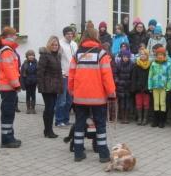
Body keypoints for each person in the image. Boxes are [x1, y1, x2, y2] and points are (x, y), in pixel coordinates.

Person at [68, 26, 116, 162]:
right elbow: (107, 75)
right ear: (96, 37)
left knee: (79, 124)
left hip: (80, 97)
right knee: (100, 125)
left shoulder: (77, 54)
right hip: (98, 98)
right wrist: (111, 92)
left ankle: (78, 153)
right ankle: (103, 155)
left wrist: (71, 91)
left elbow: (71, 75)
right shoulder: (101, 54)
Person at [0, 26, 22, 148]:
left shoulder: (6, 49)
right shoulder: (7, 51)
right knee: (8, 113)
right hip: (8, 87)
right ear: (9, 36)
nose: (16, 36)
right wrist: (16, 85)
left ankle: (9, 136)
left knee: (9, 112)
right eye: (15, 34)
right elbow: (10, 70)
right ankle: (6, 140)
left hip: (7, 86)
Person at [37, 36, 63, 138]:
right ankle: (48, 130)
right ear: (49, 45)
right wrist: (41, 87)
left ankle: (48, 130)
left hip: (55, 87)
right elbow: (40, 72)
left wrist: (60, 86)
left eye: (56, 45)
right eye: (53, 44)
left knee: (51, 108)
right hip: (47, 86)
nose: (55, 46)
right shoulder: (45, 55)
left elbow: (59, 73)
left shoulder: (57, 56)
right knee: (49, 108)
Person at [56, 26, 78, 127]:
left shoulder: (74, 44)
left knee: (69, 101)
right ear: (64, 34)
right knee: (62, 100)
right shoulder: (60, 44)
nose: (70, 35)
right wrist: (61, 72)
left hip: (73, 76)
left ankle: (66, 119)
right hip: (64, 75)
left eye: (71, 34)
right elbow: (58, 60)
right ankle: (59, 120)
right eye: (68, 34)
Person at [148, 46, 171, 128]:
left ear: (164, 55)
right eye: (158, 54)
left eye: (161, 54)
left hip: (163, 87)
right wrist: (150, 86)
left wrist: (168, 87)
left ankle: (162, 121)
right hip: (155, 86)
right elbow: (150, 76)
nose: (159, 56)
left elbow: (170, 77)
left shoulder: (168, 64)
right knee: (156, 103)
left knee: (162, 103)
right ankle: (155, 120)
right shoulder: (153, 64)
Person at [131, 48, 151, 125]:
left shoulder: (150, 65)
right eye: (141, 54)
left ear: (147, 56)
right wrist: (134, 87)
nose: (142, 56)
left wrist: (148, 87)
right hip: (138, 88)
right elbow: (134, 77)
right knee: (138, 103)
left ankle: (145, 118)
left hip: (146, 88)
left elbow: (150, 77)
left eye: (144, 54)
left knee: (146, 103)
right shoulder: (136, 65)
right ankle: (139, 118)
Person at [114, 49, 134, 124]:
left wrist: (130, 83)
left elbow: (133, 76)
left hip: (128, 86)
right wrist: (118, 81)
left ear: (129, 57)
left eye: (127, 57)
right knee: (122, 102)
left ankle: (127, 117)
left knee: (128, 102)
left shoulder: (132, 64)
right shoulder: (118, 64)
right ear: (122, 57)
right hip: (121, 86)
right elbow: (116, 74)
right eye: (124, 56)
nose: (125, 58)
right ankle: (122, 117)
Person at [20, 50, 38, 114]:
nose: (31, 56)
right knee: (28, 95)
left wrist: (38, 82)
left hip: (34, 82)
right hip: (27, 83)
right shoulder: (24, 64)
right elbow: (22, 75)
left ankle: (33, 108)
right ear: (27, 56)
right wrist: (22, 85)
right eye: (30, 55)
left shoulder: (36, 63)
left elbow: (38, 74)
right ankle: (28, 108)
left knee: (33, 95)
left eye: (32, 55)